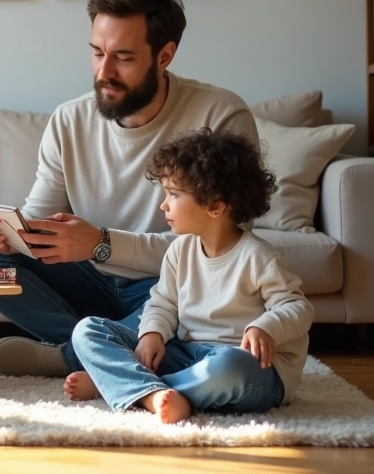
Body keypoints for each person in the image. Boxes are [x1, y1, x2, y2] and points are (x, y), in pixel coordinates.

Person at [0, 0, 258, 378]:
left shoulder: (220, 116)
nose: (105, 71)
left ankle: (75, 356)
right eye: (97, 53)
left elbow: (227, 244)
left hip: (168, 286)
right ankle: (105, 348)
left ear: (164, 56)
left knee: (213, 277)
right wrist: (12, 232)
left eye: (123, 57)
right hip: (90, 282)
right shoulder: (69, 120)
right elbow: (40, 218)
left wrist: (101, 244)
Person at [65, 128, 314, 423]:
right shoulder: (179, 250)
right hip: (186, 354)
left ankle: (124, 387)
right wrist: (152, 334)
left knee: (227, 367)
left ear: (215, 206)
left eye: (174, 194)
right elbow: (163, 303)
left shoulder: (258, 257)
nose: (164, 204)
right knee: (88, 330)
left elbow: (298, 307)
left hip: (248, 367)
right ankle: (147, 392)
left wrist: (265, 327)